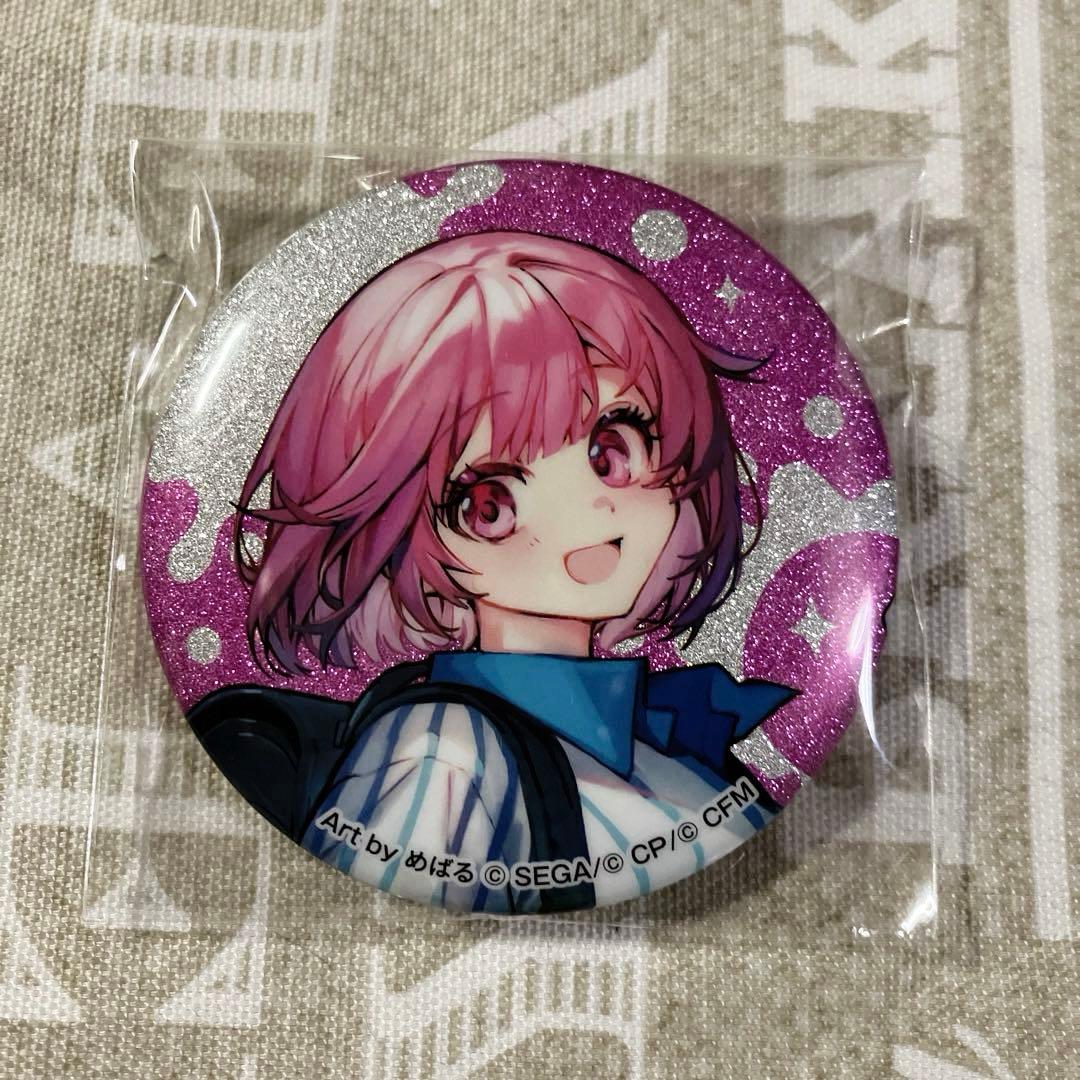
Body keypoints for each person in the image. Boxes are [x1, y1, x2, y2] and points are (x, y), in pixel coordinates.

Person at [190, 231, 795, 912]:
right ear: (397, 534)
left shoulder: (662, 748)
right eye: (491, 504)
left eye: (610, 450)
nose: (587, 511)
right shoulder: (445, 756)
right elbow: (381, 928)